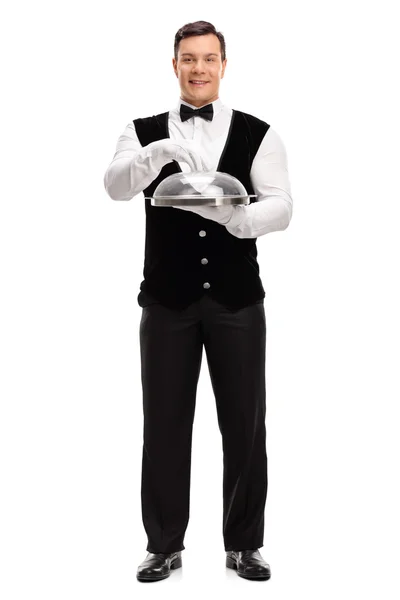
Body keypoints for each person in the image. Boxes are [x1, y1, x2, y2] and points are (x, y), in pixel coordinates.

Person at [103, 20, 293, 583]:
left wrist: (240, 219)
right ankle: (163, 544)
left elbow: (282, 206)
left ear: (224, 65)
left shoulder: (258, 133)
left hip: (237, 302)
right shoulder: (140, 131)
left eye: (209, 59)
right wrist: (158, 150)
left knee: (245, 424)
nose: (199, 68)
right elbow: (115, 186)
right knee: (163, 423)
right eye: (189, 59)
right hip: (166, 302)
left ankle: (245, 544)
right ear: (175, 65)